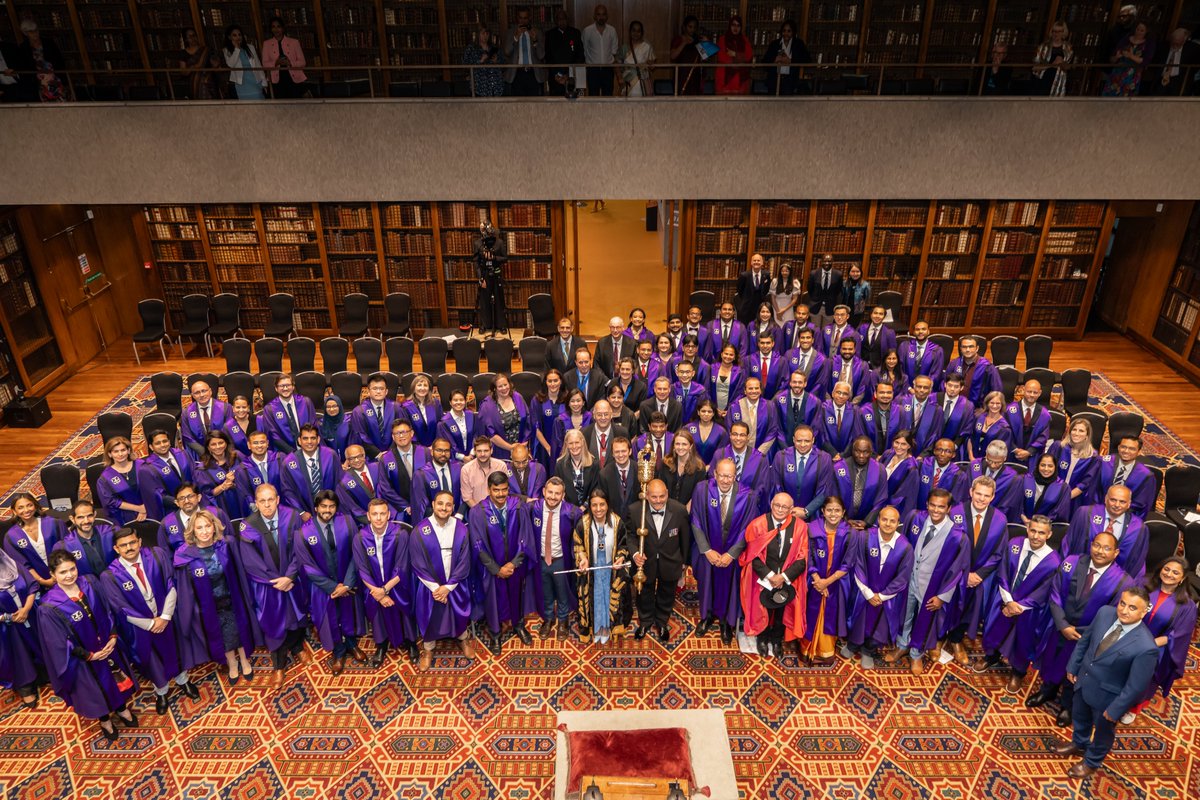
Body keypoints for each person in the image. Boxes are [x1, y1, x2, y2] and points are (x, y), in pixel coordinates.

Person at [1028, 532, 1133, 727]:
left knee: (1075, 671)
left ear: (1116, 552)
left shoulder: (1123, 581)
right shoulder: (1072, 561)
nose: (1100, 551)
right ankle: (1047, 690)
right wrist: (1063, 625)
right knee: (1052, 658)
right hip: (1059, 626)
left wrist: (1081, 631)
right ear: (1091, 545)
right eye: (1097, 545)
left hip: (1086, 636)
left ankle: (1067, 705)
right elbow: (1055, 592)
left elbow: (1114, 615)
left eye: (1107, 548)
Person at [1055, 587, 1158, 778]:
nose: (1124, 611)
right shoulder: (1104, 613)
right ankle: (1079, 743)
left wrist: (1116, 710)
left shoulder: (1146, 647)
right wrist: (1073, 666)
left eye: (1133, 608)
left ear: (1144, 612)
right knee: (1079, 718)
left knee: (1103, 733)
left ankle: (1092, 762)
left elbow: (1136, 686)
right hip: (1083, 682)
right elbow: (1085, 641)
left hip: (1108, 699)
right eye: (1123, 603)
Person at [37, 550, 137, 741]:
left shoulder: (90, 582)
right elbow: (57, 642)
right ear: (53, 574)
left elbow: (108, 610)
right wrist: (89, 655)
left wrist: (113, 636)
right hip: (83, 659)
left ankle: (122, 709)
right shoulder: (48, 606)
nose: (69, 575)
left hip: (108, 646)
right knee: (96, 690)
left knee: (116, 680)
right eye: (63, 572)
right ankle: (105, 720)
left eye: (72, 569)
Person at [101, 527, 197, 715]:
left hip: (166, 617)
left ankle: (183, 680)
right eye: (123, 545)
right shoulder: (110, 575)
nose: (129, 548)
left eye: (132, 543)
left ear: (139, 542)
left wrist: (165, 617)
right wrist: (151, 624)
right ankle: (161, 690)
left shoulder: (156, 555)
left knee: (175, 650)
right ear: (116, 548)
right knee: (152, 659)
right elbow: (120, 607)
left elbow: (171, 583)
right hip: (141, 628)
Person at [883, 489, 969, 676]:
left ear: (949, 509)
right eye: (933, 505)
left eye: (941, 507)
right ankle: (902, 645)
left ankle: (916, 654)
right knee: (904, 615)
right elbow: (901, 545)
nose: (936, 510)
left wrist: (942, 596)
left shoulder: (957, 536)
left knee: (925, 622)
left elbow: (957, 571)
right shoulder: (916, 519)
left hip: (933, 587)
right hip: (909, 580)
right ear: (927, 504)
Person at [975, 515, 1064, 694]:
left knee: (1024, 640)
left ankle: (1018, 672)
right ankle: (991, 656)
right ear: (1028, 529)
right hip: (1005, 598)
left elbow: (1045, 590)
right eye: (1033, 530)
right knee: (996, 628)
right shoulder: (1014, 544)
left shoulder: (1054, 561)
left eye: (1041, 533)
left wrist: (1019, 606)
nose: (1036, 536)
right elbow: (1003, 571)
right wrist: (1008, 601)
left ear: (1049, 534)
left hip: (1030, 610)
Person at [173, 509, 258, 686]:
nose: (204, 531)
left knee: (239, 629)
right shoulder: (186, 555)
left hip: (233, 598)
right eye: (199, 527)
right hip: (210, 606)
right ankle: (232, 664)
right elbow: (185, 588)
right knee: (221, 635)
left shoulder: (226, 544)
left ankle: (244, 660)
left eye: (207, 526)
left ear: (214, 527)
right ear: (193, 531)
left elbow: (241, 571)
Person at [237, 484, 308, 691]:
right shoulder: (248, 525)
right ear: (256, 504)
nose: (267, 505)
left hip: (292, 579)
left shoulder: (292, 517)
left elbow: (300, 549)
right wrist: (276, 581)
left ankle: (297, 647)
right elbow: (250, 562)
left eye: (270, 500)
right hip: (267, 586)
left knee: (296, 614)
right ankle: (279, 665)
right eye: (262, 501)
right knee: (275, 622)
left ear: (277, 499)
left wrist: (290, 576)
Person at [294, 491, 365, 675]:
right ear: (316, 508)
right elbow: (307, 566)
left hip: (346, 581)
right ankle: (339, 652)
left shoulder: (348, 522)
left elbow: (356, 553)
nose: (327, 510)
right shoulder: (303, 532)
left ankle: (351, 644)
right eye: (323, 506)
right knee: (330, 620)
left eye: (331, 506)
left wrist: (347, 584)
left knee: (348, 615)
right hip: (323, 587)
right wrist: (334, 587)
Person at [944, 476, 1008, 664]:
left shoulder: (1000, 519)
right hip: (954, 573)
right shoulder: (955, 512)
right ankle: (939, 639)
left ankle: (956, 640)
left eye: (986, 495)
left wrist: (978, 575)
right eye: (978, 493)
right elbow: (946, 547)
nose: (981, 499)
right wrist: (963, 574)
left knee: (970, 609)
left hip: (980, 576)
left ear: (993, 497)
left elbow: (999, 553)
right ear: (971, 492)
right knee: (947, 606)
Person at [690, 459, 754, 645]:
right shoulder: (702, 489)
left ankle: (726, 622)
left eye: (730, 476)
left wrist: (732, 554)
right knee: (707, 583)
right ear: (715, 474)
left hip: (731, 554)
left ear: (735, 476)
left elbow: (747, 528)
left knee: (730, 585)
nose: (725, 480)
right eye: (722, 475)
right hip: (709, 549)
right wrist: (707, 550)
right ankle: (707, 616)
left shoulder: (747, 495)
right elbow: (696, 519)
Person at [1126, 557, 1197, 722]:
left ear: (1183, 578)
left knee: (1143, 678)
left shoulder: (1187, 605)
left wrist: (1148, 645)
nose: (1169, 574)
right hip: (1127, 636)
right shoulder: (1143, 584)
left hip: (1155, 647)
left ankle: (1132, 707)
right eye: (1167, 569)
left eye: (1175, 572)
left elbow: (1178, 634)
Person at [410, 492, 476, 669]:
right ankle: (428, 648)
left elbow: (464, 560)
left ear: (453, 507)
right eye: (440, 504)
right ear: (433, 504)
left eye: (448, 505)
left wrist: (449, 587)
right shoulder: (420, 530)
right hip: (430, 587)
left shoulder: (461, 528)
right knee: (429, 616)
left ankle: (463, 639)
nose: (444, 508)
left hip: (455, 584)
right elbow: (417, 563)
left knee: (458, 612)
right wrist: (436, 589)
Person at [470, 471, 533, 651]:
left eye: (504, 490)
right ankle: (495, 633)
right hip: (492, 568)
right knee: (493, 601)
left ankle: (518, 625)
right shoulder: (478, 512)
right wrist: (496, 569)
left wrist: (513, 563)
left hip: (514, 565)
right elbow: (477, 544)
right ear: (489, 490)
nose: (501, 494)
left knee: (517, 596)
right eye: (496, 490)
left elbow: (525, 537)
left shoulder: (518, 506)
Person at [740, 492, 809, 659]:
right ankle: (762, 638)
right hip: (763, 578)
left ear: (791, 509)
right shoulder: (757, 525)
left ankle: (777, 640)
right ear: (771, 505)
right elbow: (751, 556)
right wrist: (770, 575)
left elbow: (802, 558)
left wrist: (783, 577)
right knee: (762, 609)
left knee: (781, 610)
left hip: (786, 580)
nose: (780, 509)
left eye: (784, 507)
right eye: (777, 505)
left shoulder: (800, 527)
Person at [353, 499, 419, 668]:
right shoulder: (360, 537)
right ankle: (381, 645)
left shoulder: (400, 534)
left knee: (403, 607)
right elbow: (361, 569)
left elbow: (403, 565)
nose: (379, 518)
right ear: (368, 516)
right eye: (374, 514)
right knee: (377, 612)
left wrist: (385, 589)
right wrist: (378, 593)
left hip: (397, 584)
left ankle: (411, 643)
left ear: (389, 515)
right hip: (373, 587)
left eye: (383, 513)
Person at [847, 505, 913, 669]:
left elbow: (903, 577)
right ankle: (853, 644)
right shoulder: (866, 537)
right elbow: (858, 564)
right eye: (884, 519)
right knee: (859, 618)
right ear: (878, 520)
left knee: (880, 624)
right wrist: (868, 593)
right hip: (865, 590)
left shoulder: (905, 547)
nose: (888, 524)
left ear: (898, 523)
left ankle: (868, 650)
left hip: (887, 596)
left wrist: (882, 596)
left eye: (892, 521)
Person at [628, 478, 690, 643]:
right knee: (644, 593)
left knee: (667, 592)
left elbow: (685, 538)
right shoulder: (635, 510)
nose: (658, 501)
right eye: (654, 497)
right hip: (645, 563)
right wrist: (635, 554)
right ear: (646, 495)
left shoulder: (679, 510)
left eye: (662, 496)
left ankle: (662, 621)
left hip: (670, 561)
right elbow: (630, 537)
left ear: (667, 494)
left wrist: (684, 562)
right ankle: (646, 621)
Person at [804, 495, 857, 664]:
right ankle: (807, 647)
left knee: (830, 612)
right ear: (822, 511)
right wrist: (817, 580)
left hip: (837, 582)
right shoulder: (812, 529)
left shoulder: (850, 533)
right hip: (814, 580)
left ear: (843, 513)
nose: (833, 514)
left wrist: (827, 582)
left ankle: (826, 651)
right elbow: (807, 556)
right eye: (829, 510)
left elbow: (848, 563)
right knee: (811, 610)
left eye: (837, 510)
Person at [573, 489, 631, 643]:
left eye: (602, 505)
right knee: (596, 598)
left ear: (607, 504)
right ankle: (596, 628)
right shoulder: (583, 523)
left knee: (608, 597)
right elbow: (578, 546)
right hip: (592, 571)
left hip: (610, 570)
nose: (598, 509)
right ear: (590, 506)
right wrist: (583, 559)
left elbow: (623, 545)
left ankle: (609, 627)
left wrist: (620, 558)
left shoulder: (617, 522)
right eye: (594, 505)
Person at [1063, 484, 1148, 581]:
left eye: (1122, 502)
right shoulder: (1085, 514)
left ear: (1129, 504)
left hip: (1112, 581)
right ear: (1105, 499)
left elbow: (1138, 562)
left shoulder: (1138, 528)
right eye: (1113, 500)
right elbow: (1068, 543)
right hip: (1077, 574)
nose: (1117, 505)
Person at [530, 477, 580, 639]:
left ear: (563, 495)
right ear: (544, 491)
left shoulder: (572, 512)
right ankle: (549, 618)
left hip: (561, 560)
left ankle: (563, 620)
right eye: (550, 492)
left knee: (563, 590)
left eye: (557, 493)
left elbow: (579, 538)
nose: (552, 497)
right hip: (541, 559)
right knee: (545, 590)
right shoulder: (533, 509)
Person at [0, 545, 42, 708]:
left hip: (29, 614)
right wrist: (8, 617)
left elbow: (32, 586)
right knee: (18, 653)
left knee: (40, 643)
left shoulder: (11, 563)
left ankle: (44, 674)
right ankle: (25, 685)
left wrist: (25, 609)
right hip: (7, 626)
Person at [771, 425, 831, 524]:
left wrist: (807, 511)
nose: (803, 445)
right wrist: (788, 509)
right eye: (799, 441)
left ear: (813, 440)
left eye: (807, 441)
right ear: (793, 440)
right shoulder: (781, 457)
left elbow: (824, 490)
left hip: (814, 515)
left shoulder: (824, 459)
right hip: (785, 513)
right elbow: (776, 486)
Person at [281, 424, 343, 519]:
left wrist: (334, 506)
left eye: (313, 438)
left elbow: (340, 482)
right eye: (305, 438)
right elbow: (288, 491)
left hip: (331, 510)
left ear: (318, 439)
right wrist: (301, 512)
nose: (309, 442)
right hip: (305, 512)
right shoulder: (289, 462)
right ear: (299, 441)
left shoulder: (331, 456)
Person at [4, 492, 66, 588]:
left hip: (65, 573)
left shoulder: (54, 524)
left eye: (29, 505)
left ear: (36, 506)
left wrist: (61, 573)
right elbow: (22, 565)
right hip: (38, 583)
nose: (26, 510)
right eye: (20, 507)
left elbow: (67, 548)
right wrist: (43, 581)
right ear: (14, 511)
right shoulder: (11, 537)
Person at [1092, 436, 1157, 517]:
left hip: (1126, 515)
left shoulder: (1146, 475)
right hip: (1099, 509)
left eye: (1132, 449)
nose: (1126, 451)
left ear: (1139, 452)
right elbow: (1093, 489)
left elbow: (1142, 503)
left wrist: (1117, 512)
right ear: (1119, 448)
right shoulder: (1104, 463)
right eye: (1123, 447)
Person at [139, 429, 196, 520]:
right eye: (157, 443)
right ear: (151, 447)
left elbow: (195, 474)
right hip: (172, 511)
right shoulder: (147, 469)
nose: (162, 445)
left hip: (194, 503)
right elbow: (156, 495)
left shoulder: (183, 454)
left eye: (165, 441)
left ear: (169, 442)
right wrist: (180, 502)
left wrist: (193, 498)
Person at [833, 437, 888, 531]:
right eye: (857, 451)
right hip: (841, 522)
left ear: (871, 452)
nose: (861, 456)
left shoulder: (880, 470)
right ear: (852, 450)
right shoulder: (838, 468)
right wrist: (844, 519)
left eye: (865, 452)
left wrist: (867, 522)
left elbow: (881, 498)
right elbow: (833, 495)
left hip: (867, 525)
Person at [710, 421, 770, 508]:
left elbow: (762, 487)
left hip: (748, 506)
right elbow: (712, 480)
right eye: (735, 434)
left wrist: (746, 502)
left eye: (742, 435)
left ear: (748, 437)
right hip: (722, 504)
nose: (738, 438)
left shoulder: (760, 459)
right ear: (730, 435)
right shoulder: (720, 454)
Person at [1047, 418, 1099, 513]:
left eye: (1081, 431)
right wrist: (1053, 494)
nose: (1076, 433)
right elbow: (1047, 470)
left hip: (1074, 498)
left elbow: (1085, 483)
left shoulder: (1093, 456)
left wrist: (1065, 498)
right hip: (1051, 493)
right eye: (1074, 429)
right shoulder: (1058, 447)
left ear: (1087, 435)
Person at [95, 437, 148, 527]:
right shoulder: (105, 478)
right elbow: (110, 501)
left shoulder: (143, 465)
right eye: (115, 451)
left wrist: (146, 507)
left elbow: (153, 488)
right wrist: (139, 509)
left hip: (150, 507)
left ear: (128, 450)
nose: (120, 454)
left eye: (123, 450)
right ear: (110, 454)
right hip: (125, 516)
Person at [195, 429, 244, 524]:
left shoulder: (238, 456)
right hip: (223, 508)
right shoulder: (203, 469)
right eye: (213, 444)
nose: (218, 447)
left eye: (221, 443)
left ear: (226, 443)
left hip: (243, 504)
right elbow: (206, 495)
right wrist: (224, 485)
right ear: (208, 447)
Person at [260, 373, 317, 453]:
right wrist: (292, 452)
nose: (285, 388)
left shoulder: (305, 402)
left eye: (288, 385)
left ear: (293, 387)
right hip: (284, 453)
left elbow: (313, 424)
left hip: (309, 448)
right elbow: (273, 436)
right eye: (281, 386)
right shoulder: (269, 409)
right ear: (276, 388)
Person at [234, 431, 286, 517]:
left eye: (262, 442)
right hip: (259, 514)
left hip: (283, 510)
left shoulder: (280, 459)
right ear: (249, 445)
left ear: (267, 443)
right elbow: (245, 496)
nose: (259, 446)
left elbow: (288, 486)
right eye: (255, 443)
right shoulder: (242, 470)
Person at [60, 499, 117, 577]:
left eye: (89, 516)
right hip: (87, 586)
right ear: (72, 519)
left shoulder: (112, 532)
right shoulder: (64, 546)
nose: (86, 521)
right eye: (80, 517)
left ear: (95, 515)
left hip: (116, 579)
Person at [350, 374, 400, 460]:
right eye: (375, 389)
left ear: (386, 391)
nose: (378, 391)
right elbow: (360, 436)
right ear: (368, 391)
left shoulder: (396, 408)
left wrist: (390, 453)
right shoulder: (359, 412)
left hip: (395, 454)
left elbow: (401, 431)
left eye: (381, 389)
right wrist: (378, 454)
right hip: (370, 457)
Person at [727, 377, 778, 458]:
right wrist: (740, 450)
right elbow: (729, 430)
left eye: (756, 388)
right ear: (745, 391)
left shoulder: (770, 406)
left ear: (760, 390)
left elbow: (773, 430)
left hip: (763, 454)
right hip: (739, 453)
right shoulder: (734, 407)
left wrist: (759, 452)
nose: (754, 391)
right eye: (750, 388)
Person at [944, 336, 1001, 408]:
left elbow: (997, 391)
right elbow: (944, 384)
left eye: (971, 347)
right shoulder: (954, 364)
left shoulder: (987, 367)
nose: (967, 350)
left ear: (977, 348)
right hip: (954, 407)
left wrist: (985, 409)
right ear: (961, 349)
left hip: (977, 409)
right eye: (964, 347)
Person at [1003, 379, 1051, 466]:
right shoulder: (1010, 410)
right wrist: (1015, 449)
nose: (1032, 395)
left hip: (1033, 455)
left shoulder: (1044, 414)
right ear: (1023, 390)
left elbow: (1043, 437)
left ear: (1040, 393)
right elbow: (1005, 432)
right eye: (1029, 391)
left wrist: (1029, 452)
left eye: (1035, 392)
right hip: (1010, 453)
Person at [474, 221, 509, 337]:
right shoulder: (477, 243)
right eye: (483, 230)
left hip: (497, 274)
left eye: (487, 229)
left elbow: (505, 258)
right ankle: (485, 325)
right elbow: (476, 262)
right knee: (484, 301)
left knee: (499, 299)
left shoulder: (499, 242)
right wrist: (480, 278)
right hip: (485, 276)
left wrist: (494, 258)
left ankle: (501, 325)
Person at [261, 15, 310, 98]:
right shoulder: (266, 44)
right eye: (273, 27)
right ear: (270, 29)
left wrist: (290, 63)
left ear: (283, 28)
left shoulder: (294, 42)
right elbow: (265, 64)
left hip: (294, 80)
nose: (276, 29)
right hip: (276, 81)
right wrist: (276, 63)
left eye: (278, 26)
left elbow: (302, 62)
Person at [1102, 21, 1155, 97]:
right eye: (1138, 29)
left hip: (1132, 76)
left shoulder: (1148, 43)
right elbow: (1113, 58)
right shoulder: (1126, 39)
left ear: (1146, 32)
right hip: (1118, 73)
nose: (1139, 32)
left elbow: (1145, 61)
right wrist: (1116, 57)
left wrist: (1130, 56)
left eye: (1142, 30)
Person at [17, 20, 65, 102]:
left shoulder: (49, 43)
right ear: (26, 33)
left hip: (53, 75)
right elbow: (24, 65)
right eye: (31, 32)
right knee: (44, 101)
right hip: (37, 79)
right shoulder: (23, 47)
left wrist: (55, 72)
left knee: (59, 99)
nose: (35, 33)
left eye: (36, 30)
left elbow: (59, 59)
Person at [182, 379, 231, 457]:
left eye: (204, 391)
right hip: (200, 454)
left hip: (222, 450)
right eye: (197, 393)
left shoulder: (225, 408)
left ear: (210, 391)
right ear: (193, 395)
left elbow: (229, 431)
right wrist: (204, 452)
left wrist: (218, 448)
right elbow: (187, 436)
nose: (201, 395)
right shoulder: (187, 412)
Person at [658, 430, 707, 508]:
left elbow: (698, 494)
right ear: (673, 445)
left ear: (690, 446)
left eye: (684, 444)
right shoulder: (666, 464)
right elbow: (661, 488)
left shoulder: (699, 468)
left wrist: (684, 512)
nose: (680, 447)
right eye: (677, 444)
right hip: (666, 508)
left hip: (688, 511)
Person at [917, 438, 970, 510]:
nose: (942, 454)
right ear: (934, 451)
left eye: (948, 451)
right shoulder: (921, 465)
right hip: (918, 514)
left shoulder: (958, 476)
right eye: (939, 450)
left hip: (940, 516)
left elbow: (957, 502)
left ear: (953, 454)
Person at [504, 6, 546, 96]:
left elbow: (541, 55)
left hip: (533, 74)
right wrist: (515, 38)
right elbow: (507, 52)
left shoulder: (537, 32)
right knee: (518, 106)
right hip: (516, 74)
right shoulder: (511, 32)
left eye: (525, 18)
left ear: (529, 18)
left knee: (535, 105)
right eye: (520, 18)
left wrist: (535, 41)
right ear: (517, 18)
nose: (522, 21)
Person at [762, 20, 811, 95]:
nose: (786, 34)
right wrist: (774, 60)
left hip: (790, 82)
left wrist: (791, 61)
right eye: (784, 31)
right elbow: (764, 62)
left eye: (789, 31)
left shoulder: (798, 44)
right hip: (774, 80)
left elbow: (808, 60)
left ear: (793, 32)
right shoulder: (774, 44)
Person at [1022, 453, 1073, 524]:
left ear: (1055, 467)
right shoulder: (1025, 479)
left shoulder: (1063, 487)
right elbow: (1017, 502)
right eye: (1043, 465)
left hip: (1046, 527)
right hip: (1022, 522)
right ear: (1037, 465)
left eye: (1050, 466)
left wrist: (1041, 523)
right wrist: (1022, 516)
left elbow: (1060, 512)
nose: (1046, 469)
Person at [462, 436, 510, 510]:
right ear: (474, 451)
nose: (482, 454)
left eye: (486, 451)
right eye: (479, 451)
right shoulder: (466, 470)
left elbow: (504, 491)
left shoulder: (501, 466)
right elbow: (467, 498)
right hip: (477, 511)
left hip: (500, 510)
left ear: (491, 451)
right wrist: (483, 513)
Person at [880, 430, 920, 519]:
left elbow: (904, 494)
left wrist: (888, 507)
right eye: (896, 442)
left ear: (909, 445)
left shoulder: (911, 468)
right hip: (877, 501)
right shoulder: (888, 454)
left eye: (903, 444)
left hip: (893, 507)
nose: (899, 447)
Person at [545, 9, 584, 97]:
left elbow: (580, 55)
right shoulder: (550, 35)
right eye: (559, 19)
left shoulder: (575, 33)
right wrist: (557, 74)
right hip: (555, 78)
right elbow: (548, 57)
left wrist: (568, 74)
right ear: (555, 21)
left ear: (568, 20)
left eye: (564, 19)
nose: (562, 22)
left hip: (572, 77)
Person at [222, 24, 267, 101]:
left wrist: (264, 82)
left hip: (254, 81)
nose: (238, 37)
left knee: (259, 103)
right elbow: (231, 64)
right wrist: (236, 49)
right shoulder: (226, 50)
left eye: (239, 35)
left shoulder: (250, 47)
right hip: (241, 83)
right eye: (234, 35)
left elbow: (258, 64)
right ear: (229, 37)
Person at [818, 381, 861, 459]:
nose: (841, 396)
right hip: (826, 455)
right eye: (838, 392)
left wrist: (843, 455)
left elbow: (855, 435)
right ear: (833, 393)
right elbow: (820, 434)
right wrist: (833, 453)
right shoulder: (822, 408)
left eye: (845, 394)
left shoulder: (854, 410)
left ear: (849, 396)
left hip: (847, 457)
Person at [582, 4, 618, 96]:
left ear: (607, 16)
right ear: (594, 16)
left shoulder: (612, 31)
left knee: (608, 97)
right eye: (598, 14)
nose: (601, 17)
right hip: (593, 70)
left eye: (603, 14)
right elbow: (584, 50)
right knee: (593, 98)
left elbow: (614, 52)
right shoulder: (587, 31)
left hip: (608, 70)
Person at [860, 379, 904, 456]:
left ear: (893, 394)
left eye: (889, 393)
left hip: (893, 456)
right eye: (882, 392)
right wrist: (874, 456)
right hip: (868, 457)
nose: (885, 395)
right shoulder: (864, 411)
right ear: (875, 394)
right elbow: (861, 435)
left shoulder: (900, 411)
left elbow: (902, 435)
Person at [532, 370, 566, 469]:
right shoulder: (537, 400)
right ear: (545, 382)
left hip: (565, 447)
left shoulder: (568, 398)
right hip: (544, 447)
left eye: (555, 381)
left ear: (561, 381)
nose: (552, 384)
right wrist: (548, 448)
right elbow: (535, 426)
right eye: (549, 381)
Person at [1152, 28, 1200, 96]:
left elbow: (1196, 65)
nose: (1174, 45)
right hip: (1161, 80)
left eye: (1177, 43)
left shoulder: (1193, 49)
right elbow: (1155, 61)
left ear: (1184, 41)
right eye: (1173, 42)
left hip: (1179, 82)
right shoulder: (1163, 46)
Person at [599, 436, 641, 512]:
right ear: (612, 454)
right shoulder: (604, 474)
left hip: (635, 519)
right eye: (617, 452)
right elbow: (603, 501)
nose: (620, 455)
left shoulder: (640, 470)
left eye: (623, 451)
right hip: (614, 520)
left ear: (630, 451)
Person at [968, 390, 1013, 461]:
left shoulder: (1004, 428)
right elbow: (970, 438)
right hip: (971, 459)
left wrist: (983, 463)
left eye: (998, 403)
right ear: (987, 403)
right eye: (992, 403)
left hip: (990, 463)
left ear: (1002, 405)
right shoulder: (978, 417)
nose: (995, 406)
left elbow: (1000, 452)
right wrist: (971, 457)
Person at [782, 328, 827, 399]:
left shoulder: (821, 360)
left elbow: (819, 384)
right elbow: (784, 378)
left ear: (813, 340)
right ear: (799, 340)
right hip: (789, 397)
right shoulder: (789, 355)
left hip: (809, 399)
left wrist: (807, 399)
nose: (805, 340)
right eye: (802, 338)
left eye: (808, 338)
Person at [937, 373, 974, 456]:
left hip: (953, 449)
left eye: (956, 386)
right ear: (945, 385)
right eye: (950, 385)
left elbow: (967, 429)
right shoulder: (933, 399)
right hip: (930, 446)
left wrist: (953, 446)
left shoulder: (968, 406)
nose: (952, 389)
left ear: (961, 388)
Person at [1034, 21, 1074, 97]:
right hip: (1043, 81)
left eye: (1059, 31)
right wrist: (1052, 64)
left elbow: (1069, 67)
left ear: (1063, 33)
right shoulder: (1043, 47)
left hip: (1059, 82)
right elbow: (1035, 67)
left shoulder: (1068, 48)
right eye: (1054, 31)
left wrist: (1062, 63)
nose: (1056, 34)